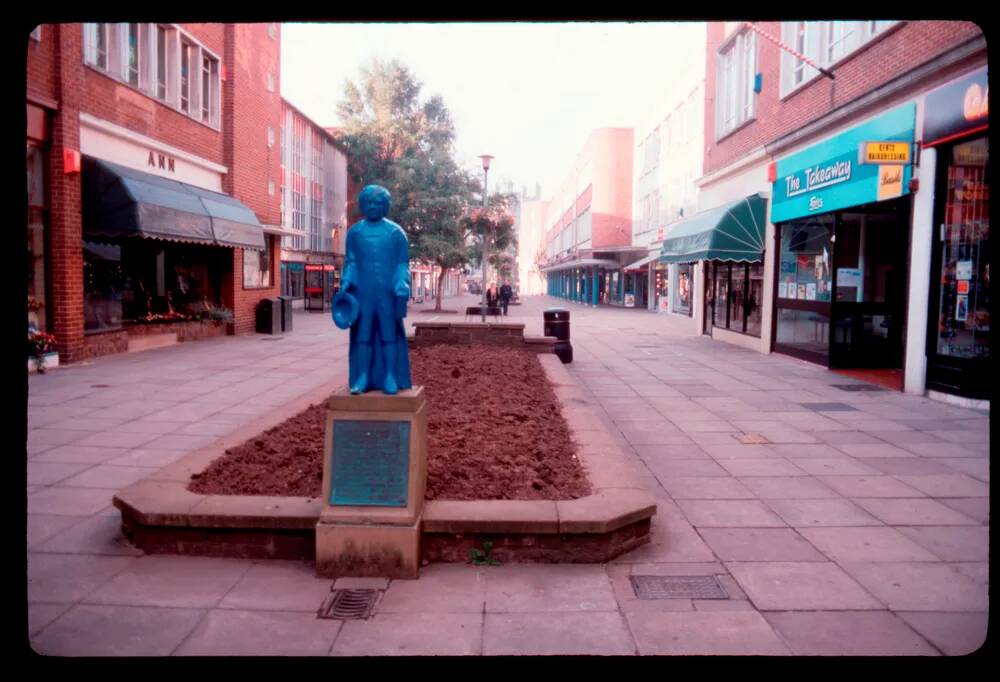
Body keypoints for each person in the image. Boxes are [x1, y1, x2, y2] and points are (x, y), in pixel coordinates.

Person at [337, 184, 412, 395]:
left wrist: (402, 283)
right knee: (363, 336)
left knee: (389, 335)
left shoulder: (396, 233)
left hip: (387, 295)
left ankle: (390, 375)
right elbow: (351, 261)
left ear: (386, 206)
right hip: (363, 295)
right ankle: (363, 376)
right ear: (362, 204)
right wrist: (346, 282)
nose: (372, 206)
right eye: (368, 202)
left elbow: (402, 264)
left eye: (378, 203)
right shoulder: (355, 233)